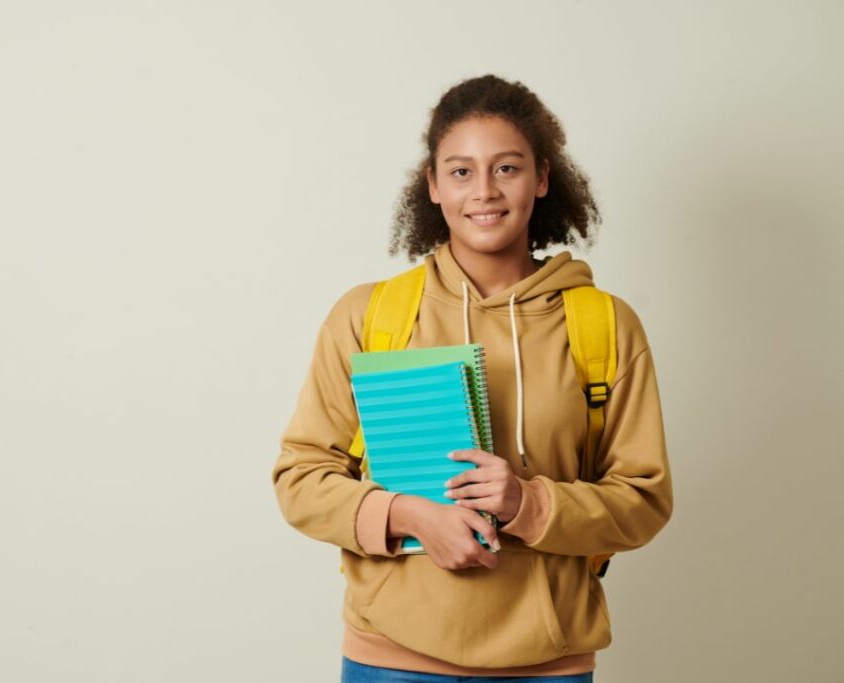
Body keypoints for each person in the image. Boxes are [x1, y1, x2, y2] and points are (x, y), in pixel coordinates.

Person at [271, 74, 674, 682]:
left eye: (506, 168)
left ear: (542, 178)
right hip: (390, 657)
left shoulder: (604, 325)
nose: (483, 191)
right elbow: (299, 478)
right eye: (460, 171)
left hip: (548, 663)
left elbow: (643, 500)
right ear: (432, 186)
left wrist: (528, 503)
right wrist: (408, 516)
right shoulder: (370, 315)